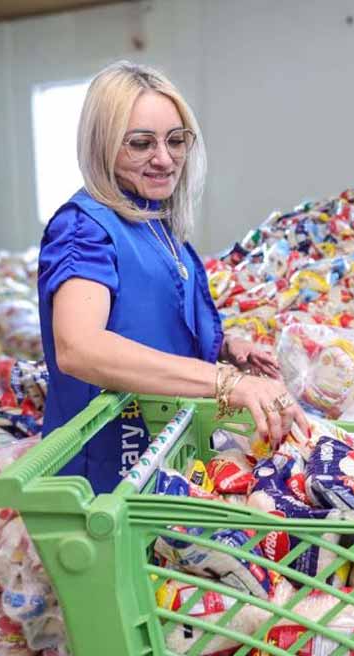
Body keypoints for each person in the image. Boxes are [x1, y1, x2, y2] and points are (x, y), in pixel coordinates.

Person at [37, 61, 308, 494]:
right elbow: (79, 346)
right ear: (102, 146)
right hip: (107, 472)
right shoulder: (84, 227)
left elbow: (151, 317)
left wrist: (225, 349)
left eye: (176, 140)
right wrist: (228, 384)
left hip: (162, 455)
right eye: (141, 144)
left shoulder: (152, 220)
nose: (164, 159)